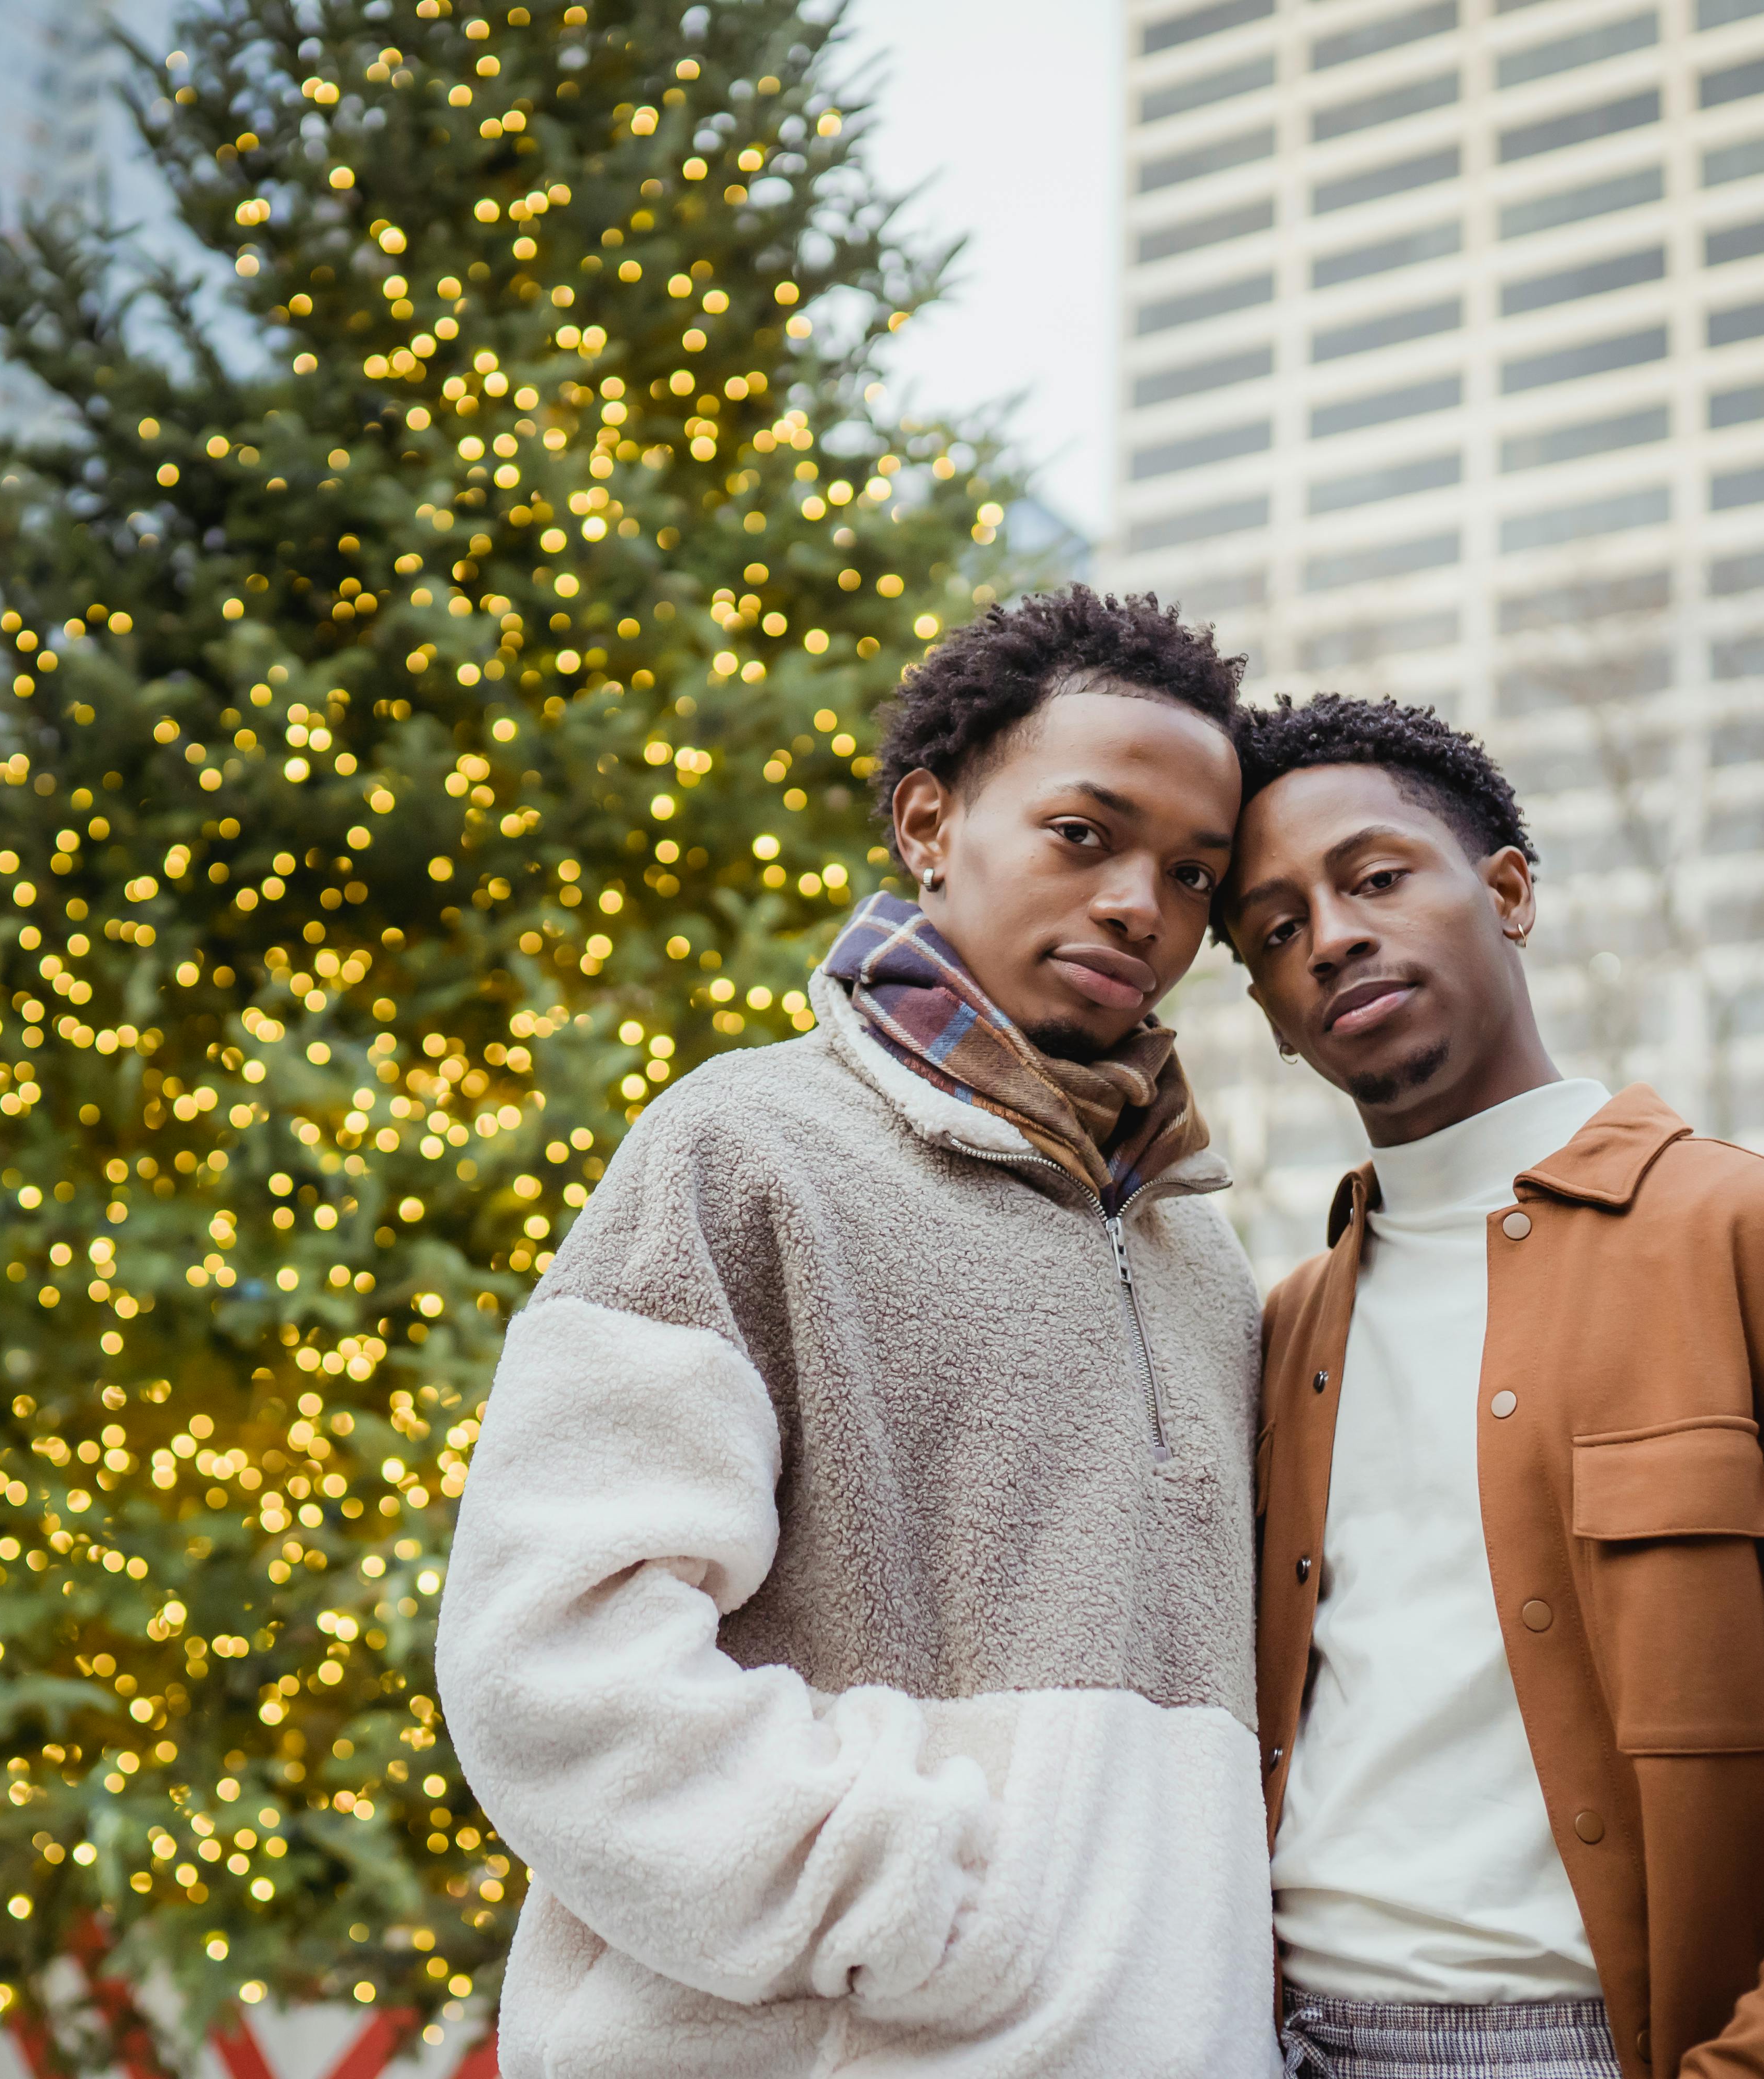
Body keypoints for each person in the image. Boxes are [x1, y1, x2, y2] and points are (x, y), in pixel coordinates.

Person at [438, 587, 1275, 2076]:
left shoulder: (1201, 1255)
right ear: (929, 823)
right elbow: (552, 1655)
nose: (1144, 907)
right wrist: (908, 1904)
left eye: (1197, 874)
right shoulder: (745, 1148)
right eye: (1085, 834)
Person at [1225, 693, 1764, 2079]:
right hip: (1262, 2041)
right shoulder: (1278, 1333)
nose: (1332, 936)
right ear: (1266, 1011)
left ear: (1507, 894)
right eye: (1273, 930)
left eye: (1376, 877)